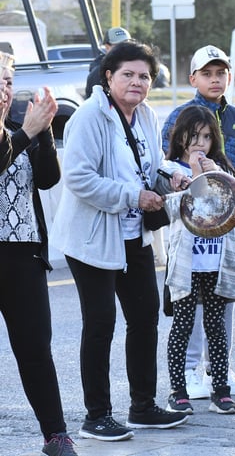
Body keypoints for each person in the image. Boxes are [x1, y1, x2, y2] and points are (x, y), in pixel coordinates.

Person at [51, 40, 190, 441]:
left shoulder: (144, 114)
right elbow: (78, 178)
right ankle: (96, 416)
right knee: (100, 325)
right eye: (127, 74)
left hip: (134, 235)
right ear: (108, 77)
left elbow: (148, 166)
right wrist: (132, 196)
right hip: (92, 238)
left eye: (144, 76)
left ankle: (142, 407)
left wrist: (171, 175)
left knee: (145, 318)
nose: (137, 82)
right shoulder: (89, 117)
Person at [161, 45, 235, 399]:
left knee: (221, 305)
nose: (215, 80)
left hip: (225, 225)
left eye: (221, 73)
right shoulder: (179, 117)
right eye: (207, 74)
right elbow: (167, 169)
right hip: (189, 234)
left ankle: (219, 369)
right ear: (193, 78)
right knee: (187, 308)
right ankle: (187, 374)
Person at [0, 52, 79, 456]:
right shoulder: (19, 132)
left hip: (23, 254)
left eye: (8, 81)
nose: (4, 89)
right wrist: (27, 134)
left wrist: (43, 130)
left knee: (35, 348)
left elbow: (47, 180)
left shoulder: (20, 126)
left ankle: (56, 434)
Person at [164, 106, 235, 417]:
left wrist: (215, 175)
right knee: (182, 326)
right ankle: (178, 390)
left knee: (216, 327)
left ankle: (221, 390)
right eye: (194, 136)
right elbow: (168, 211)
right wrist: (187, 182)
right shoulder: (170, 169)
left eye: (207, 137)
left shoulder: (222, 169)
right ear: (181, 136)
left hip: (216, 263)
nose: (200, 143)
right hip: (187, 264)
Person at [84, 26, 131, 99]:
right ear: (107, 47)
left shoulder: (133, 66)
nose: (125, 49)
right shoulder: (98, 72)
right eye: (119, 45)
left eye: (127, 45)